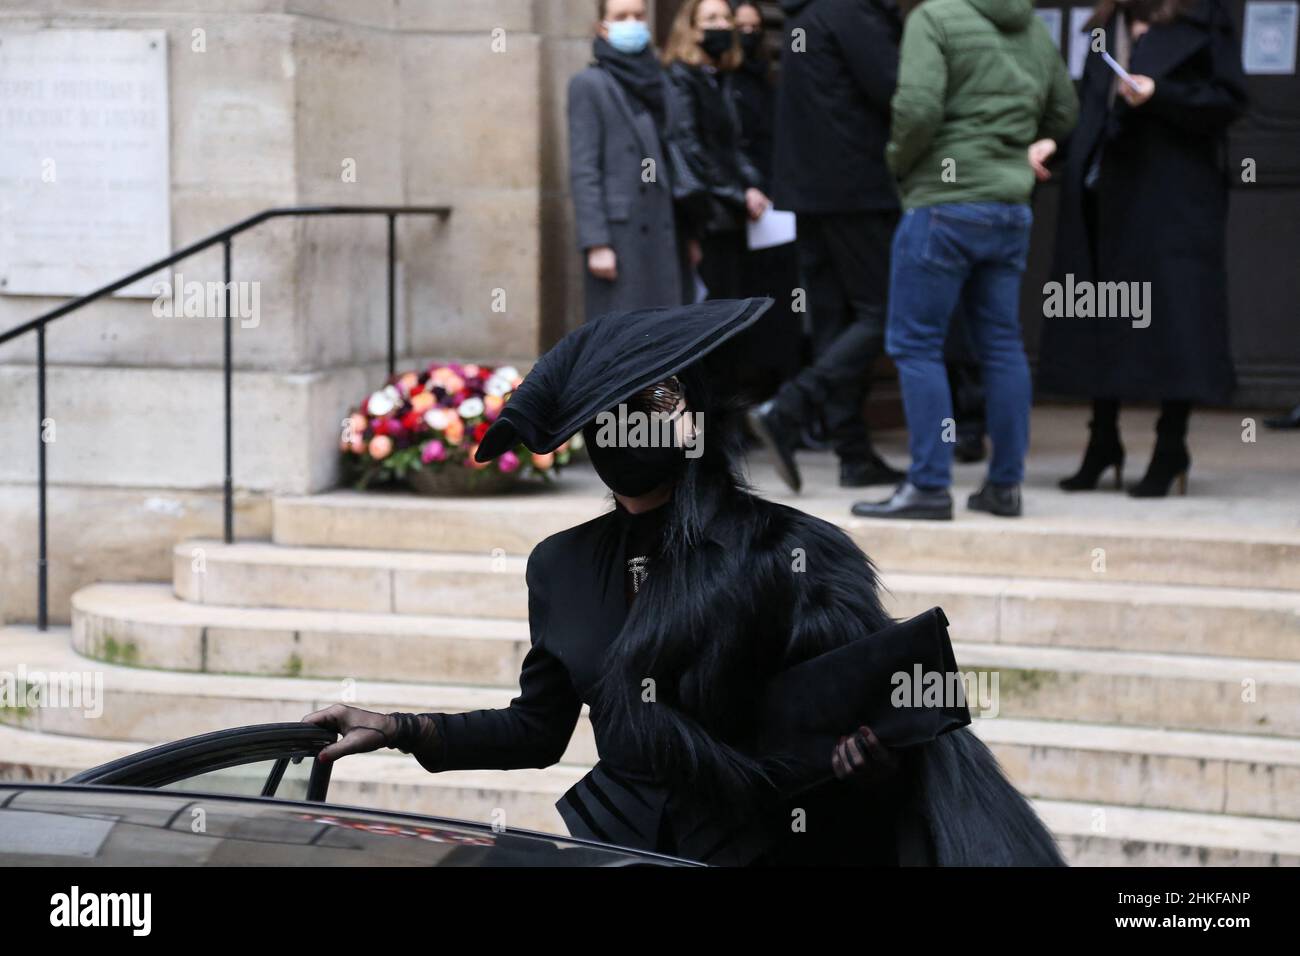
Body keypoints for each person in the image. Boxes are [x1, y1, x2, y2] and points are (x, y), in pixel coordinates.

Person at [303, 298, 1066, 867]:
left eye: (658, 402)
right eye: (606, 416)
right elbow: (538, 731)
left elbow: (870, 732)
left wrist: (871, 769)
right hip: (628, 855)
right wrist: (404, 729)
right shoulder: (560, 566)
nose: (629, 426)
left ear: (692, 411)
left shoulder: (792, 551)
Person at [853, 0, 1078, 521]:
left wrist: (899, 164)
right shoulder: (1031, 27)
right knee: (1002, 344)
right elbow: (1065, 111)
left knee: (915, 343)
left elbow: (918, 109)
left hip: (943, 203)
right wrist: (1025, 146)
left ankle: (929, 486)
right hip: (1008, 206)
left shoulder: (933, 18)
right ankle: (1005, 487)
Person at [1038, 0, 1247, 497]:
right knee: (1102, 316)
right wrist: (1057, 145)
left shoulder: (1204, 19)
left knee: (1176, 322)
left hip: (1172, 200)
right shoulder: (1106, 26)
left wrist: (1161, 94)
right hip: (1105, 197)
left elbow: (1228, 101)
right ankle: (1102, 440)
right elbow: (1091, 105)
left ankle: (1170, 445)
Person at [747, 0, 908, 493]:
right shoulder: (849, 12)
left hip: (812, 195)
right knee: (884, 312)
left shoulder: (808, 14)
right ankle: (788, 408)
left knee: (835, 322)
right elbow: (897, 92)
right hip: (855, 191)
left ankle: (853, 452)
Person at [568, 0, 693, 322]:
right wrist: (596, 243)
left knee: (665, 332)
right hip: (621, 236)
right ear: (602, 27)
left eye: (638, 16)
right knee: (622, 334)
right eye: (621, 17)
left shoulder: (661, 80)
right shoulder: (589, 84)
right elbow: (584, 169)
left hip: (667, 224)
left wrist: (692, 232)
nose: (632, 23)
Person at [662, 0, 772, 302]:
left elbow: (732, 144)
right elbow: (690, 147)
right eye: (711, 19)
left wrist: (751, 186)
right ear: (692, 29)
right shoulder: (681, 77)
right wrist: (739, 193)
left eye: (726, 18)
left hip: (730, 214)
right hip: (705, 215)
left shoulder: (719, 77)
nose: (723, 25)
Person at [727, 0, 802, 398]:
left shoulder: (769, 80)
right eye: (741, 27)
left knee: (782, 307)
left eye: (756, 27)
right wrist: (746, 185)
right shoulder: (723, 83)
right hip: (739, 207)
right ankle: (746, 395)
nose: (749, 35)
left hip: (775, 207)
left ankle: (780, 396)